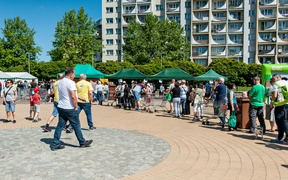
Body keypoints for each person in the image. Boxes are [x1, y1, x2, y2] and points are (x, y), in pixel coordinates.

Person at [50, 67, 93, 151]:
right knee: (76, 125)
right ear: (71, 74)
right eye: (74, 74)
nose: (74, 76)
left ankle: (55, 144)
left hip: (61, 106)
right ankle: (82, 142)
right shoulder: (71, 82)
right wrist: (76, 106)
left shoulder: (60, 82)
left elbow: (67, 95)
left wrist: (79, 97)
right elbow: (72, 96)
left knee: (60, 126)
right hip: (69, 107)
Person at [270, 74, 288, 143]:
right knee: (284, 120)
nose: (272, 80)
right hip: (287, 104)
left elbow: (275, 95)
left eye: (273, 78)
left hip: (280, 104)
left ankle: (281, 137)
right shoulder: (286, 82)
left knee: (280, 120)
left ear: (277, 77)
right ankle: (283, 137)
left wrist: (272, 102)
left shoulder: (276, 84)